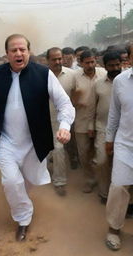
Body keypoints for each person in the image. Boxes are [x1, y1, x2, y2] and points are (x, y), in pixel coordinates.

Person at [0, 34, 75, 241]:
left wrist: (65, 126)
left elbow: (65, 104)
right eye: (13, 50)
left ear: (29, 52)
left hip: (34, 142)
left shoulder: (44, 74)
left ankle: (21, 203)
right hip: (5, 141)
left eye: (22, 49)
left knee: (28, 182)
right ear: (7, 54)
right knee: (12, 181)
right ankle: (24, 219)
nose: (18, 53)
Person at [105, 44, 133, 251]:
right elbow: (114, 113)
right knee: (118, 187)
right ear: (129, 59)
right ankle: (114, 229)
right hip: (125, 144)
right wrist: (109, 139)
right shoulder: (121, 81)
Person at [88, 51, 122, 203]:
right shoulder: (98, 84)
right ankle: (104, 193)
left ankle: (126, 199)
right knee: (102, 161)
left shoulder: (128, 81)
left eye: (117, 64)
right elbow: (92, 107)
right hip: (103, 128)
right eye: (111, 65)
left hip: (125, 130)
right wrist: (91, 126)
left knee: (123, 164)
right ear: (104, 66)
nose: (115, 68)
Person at [72, 50, 106, 193]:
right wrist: (76, 102)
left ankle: (103, 181)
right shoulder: (75, 77)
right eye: (87, 63)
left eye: (93, 62)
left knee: (101, 155)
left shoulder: (104, 73)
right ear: (81, 63)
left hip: (100, 122)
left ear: (96, 60)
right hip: (81, 121)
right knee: (84, 154)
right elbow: (69, 99)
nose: (90, 65)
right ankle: (89, 180)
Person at [46, 47, 76, 196]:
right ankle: (41, 178)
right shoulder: (41, 75)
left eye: (60, 58)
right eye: (54, 59)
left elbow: (76, 95)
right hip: (42, 120)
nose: (58, 62)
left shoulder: (72, 75)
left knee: (58, 150)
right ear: (48, 60)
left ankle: (59, 182)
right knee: (44, 151)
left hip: (61, 122)